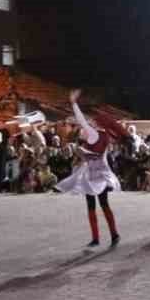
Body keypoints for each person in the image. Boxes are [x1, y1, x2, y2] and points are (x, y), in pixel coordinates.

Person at [56, 90, 127, 247]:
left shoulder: (94, 134)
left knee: (93, 205)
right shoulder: (103, 135)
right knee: (103, 204)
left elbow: (81, 121)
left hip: (95, 175)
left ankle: (98, 238)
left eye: (91, 122)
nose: (87, 125)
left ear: (94, 125)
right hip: (98, 173)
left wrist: (74, 103)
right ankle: (113, 234)